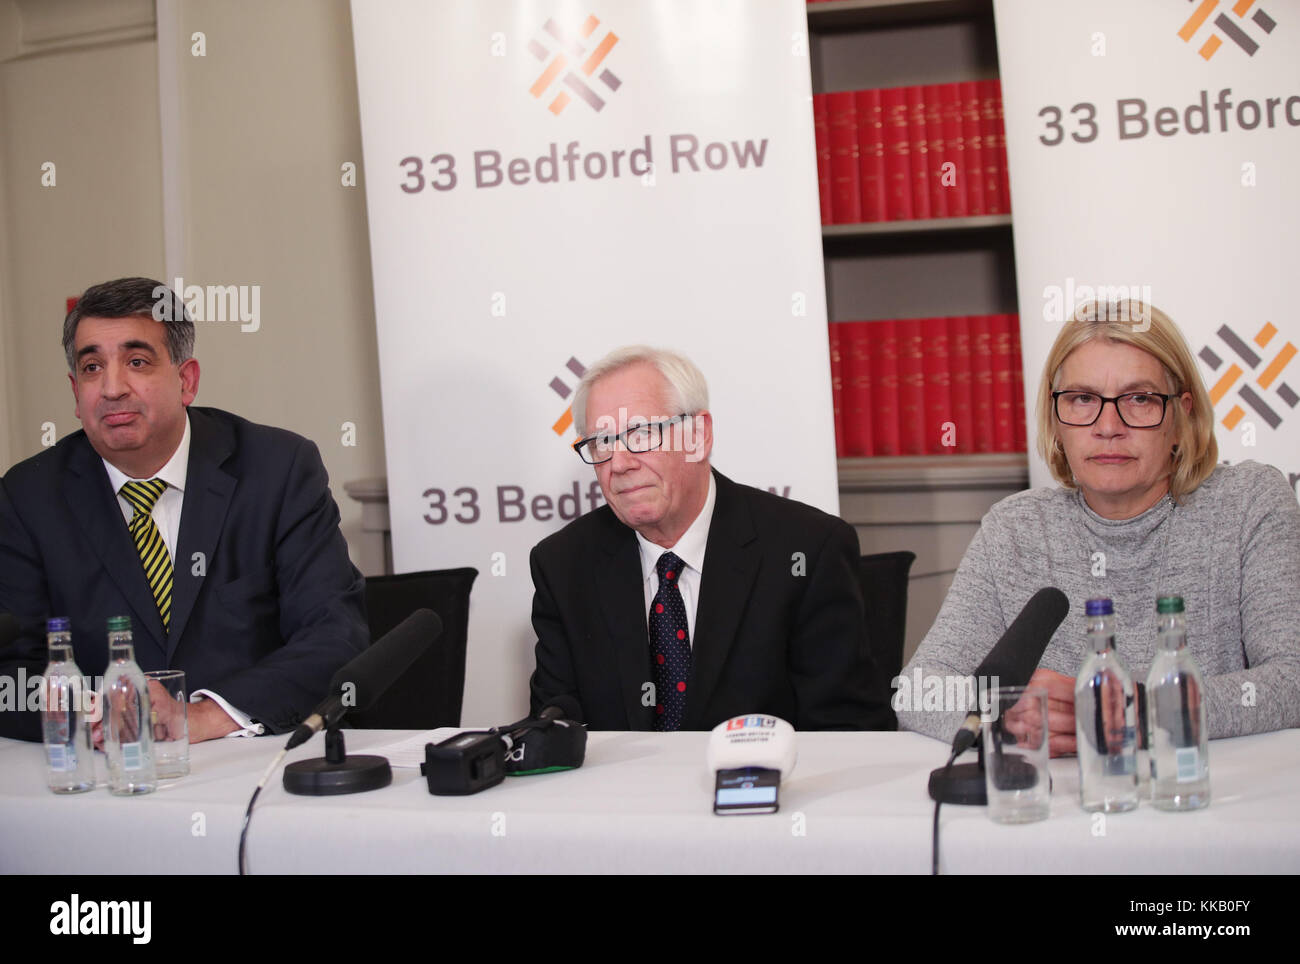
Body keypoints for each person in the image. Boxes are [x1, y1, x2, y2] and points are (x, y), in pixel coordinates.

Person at [897, 300, 1300, 752]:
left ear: (1181, 416)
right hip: (1060, 806)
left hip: (1207, 796)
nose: (1108, 426)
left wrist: (1135, 712)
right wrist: (1008, 719)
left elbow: (1292, 679)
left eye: (1140, 399)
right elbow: (919, 689)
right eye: (1083, 399)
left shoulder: (1248, 503)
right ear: (1056, 420)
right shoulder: (1015, 528)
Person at [0, 277, 368, 743]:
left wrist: (200, 717)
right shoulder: (29, 496)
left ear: (186, 380)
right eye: (92, 367)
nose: (112, 388)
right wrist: (97, 716)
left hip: (253, 758)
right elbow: (13, 670)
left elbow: (334, 633)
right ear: (75, 392)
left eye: (137, 362)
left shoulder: (277, 470)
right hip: (109, 770)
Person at [528, 345, 894, 731]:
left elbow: (848, 730)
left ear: (698, 436)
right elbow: (553, 728)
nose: (619, 463)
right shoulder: (564, 565)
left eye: (639, 434)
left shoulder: (807, 549)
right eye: (602, 443)